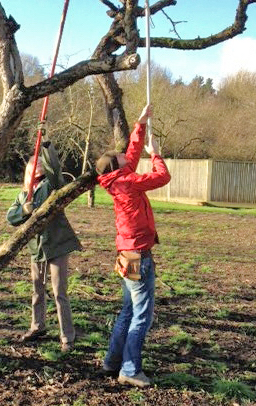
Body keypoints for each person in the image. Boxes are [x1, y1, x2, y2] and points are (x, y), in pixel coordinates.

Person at [95, 104, 171, 387]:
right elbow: (162, 177)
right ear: (119, 166)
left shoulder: (116, 178)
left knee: (128, 310)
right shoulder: (128, 182)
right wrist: (157, 155)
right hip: (139, 253)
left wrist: (141, 124)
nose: (125, 155)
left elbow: (131, 153)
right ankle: (129, 369)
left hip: (128, 252)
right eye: (121, 157)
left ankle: (112, 362)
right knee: (142, 314)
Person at [6, 139, 81, 352]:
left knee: (59, 293)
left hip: (57, 245)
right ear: (28, 171)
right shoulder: (23, 195)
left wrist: (47, 146)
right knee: (38, 291)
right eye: (33, 164)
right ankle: (37, 326)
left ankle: (67, 337)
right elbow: (11, 218)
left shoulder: (52, 185)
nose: (36, 167)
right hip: (36, 249)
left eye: (39, 164)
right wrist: (24, 211)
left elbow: (55, 169)